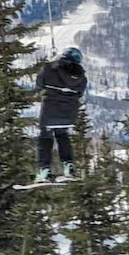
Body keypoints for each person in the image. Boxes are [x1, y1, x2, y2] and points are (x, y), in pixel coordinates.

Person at [33, 46, 87, 183]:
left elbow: (39, 83)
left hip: (50, 109)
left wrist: (51, 63)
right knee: (62, 135)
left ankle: (44, 170)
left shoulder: (50, 68)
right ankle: (68, 167)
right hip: (69, 113)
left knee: (45, 137)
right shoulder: (82, 77)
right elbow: (80, 93)